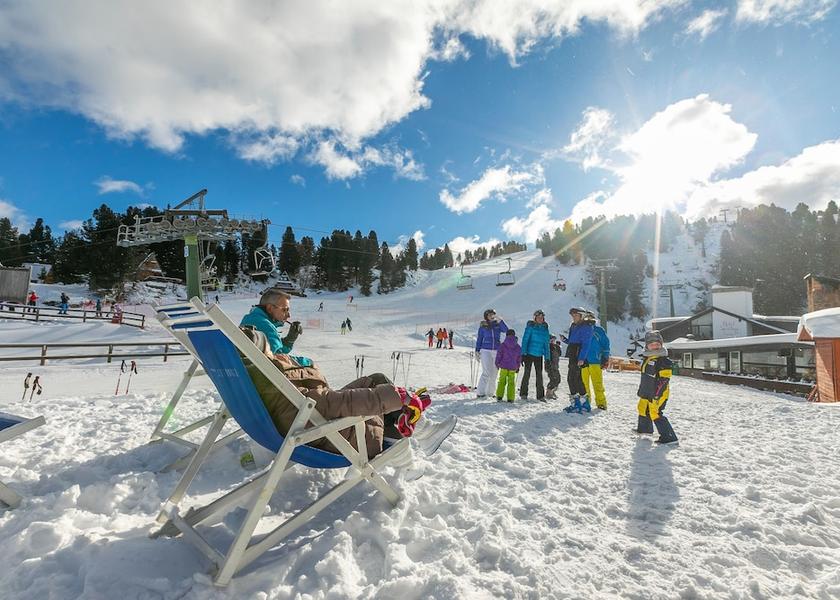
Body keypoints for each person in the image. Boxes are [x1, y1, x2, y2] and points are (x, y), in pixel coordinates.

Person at [242, 328, 439, 458]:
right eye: (270, 351)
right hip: (329, 436)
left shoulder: (252, 379)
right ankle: (406, 450)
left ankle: (422, 432)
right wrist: (394, 397)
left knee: (376, 380)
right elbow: (330, 403)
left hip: (307, 423)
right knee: (384, 398)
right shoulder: (272, 382)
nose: (275, 354)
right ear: (262, 354)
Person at [239, 289, 307, 363]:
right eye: (284, 310)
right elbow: (279, 359)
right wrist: (307, 362)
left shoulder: (250, 319)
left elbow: (273, 350)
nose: (288, 315)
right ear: (270, 308)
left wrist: (289, 340)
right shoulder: (265, 325)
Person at [635, 331, 678, 444]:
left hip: (658, 393)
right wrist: (642, 390)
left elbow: (664, 380)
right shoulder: (647, 358)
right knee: (642, 408)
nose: (654, 346)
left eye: (657, 344)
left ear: (661, 344)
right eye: (651, 344)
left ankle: (669, 437)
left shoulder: (663, 361)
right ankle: (645, 429)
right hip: (646, 391)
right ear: (647, 346)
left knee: (655, 412)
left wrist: (657, 394)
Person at [561, 307, 593, 413]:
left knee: (571, 379)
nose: (573, 317)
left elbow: (586, 344)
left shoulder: (586, 327)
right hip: (573, 353)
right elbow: (572, 341)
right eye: (572, 316)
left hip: (578, 355)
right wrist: (565, 340)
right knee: (578, 379)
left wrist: (582, 358)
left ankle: (575, 403)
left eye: (576, 315)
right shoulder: (574, 326)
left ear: (582, 316)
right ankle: (585, 403)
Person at [474, 309, 508, 398]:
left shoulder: (498, 325)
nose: (492, 316)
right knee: (486, 372)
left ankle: (490, 393)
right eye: (489, 315)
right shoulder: (483, 326)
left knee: (494, 373)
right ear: (486, 316)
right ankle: (480, 392)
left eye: (493, 314)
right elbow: (480, 338)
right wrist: (477, 350)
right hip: (485, 350)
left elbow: (506, 330)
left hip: (497, 350)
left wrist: (500, 321)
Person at [581, 311, 611, 410]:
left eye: (591, 318)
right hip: (583, 361)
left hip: (595, 361)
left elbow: (605, 344)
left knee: (597, 384)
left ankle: (601, 403)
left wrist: (605, 357)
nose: (589, 320)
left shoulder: (599, 330)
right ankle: (586, 402)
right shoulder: (581, 330)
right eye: (587, 318)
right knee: (584, 384)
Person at [519, 309, 551, 402]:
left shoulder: (545, 329)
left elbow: (546, 345)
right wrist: (523, 354)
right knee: (527, 374)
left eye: (542, 318)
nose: (540, 319)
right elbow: (525, 340)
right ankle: (523, 393)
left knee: (539, 375)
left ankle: (540, 396)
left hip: (539, 355)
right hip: (529, 354)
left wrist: (547, 358)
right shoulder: (530, 327)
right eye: (538, 317)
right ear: (535, 318)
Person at [494, 329, 521, 402]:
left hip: (503, 366)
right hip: (513, 367)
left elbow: (499, 355)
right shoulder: (518, 347)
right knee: (511, 383)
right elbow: (519, 358)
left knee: (502, 381)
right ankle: (510, 398)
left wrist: (497, 363)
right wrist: (518, 366)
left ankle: (499, 396)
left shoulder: (503, 345)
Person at [545, 335, 563, 399]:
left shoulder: (556, 347)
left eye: (554, 340)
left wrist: (558, 347)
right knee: (553, 379)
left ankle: (552, 391)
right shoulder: (548, 347)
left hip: (555, 366)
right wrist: (548, 365)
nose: (553, 341)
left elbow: (559, 354)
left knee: (558, 379)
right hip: (550, 366)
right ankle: (549, 393)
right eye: (551, 340)